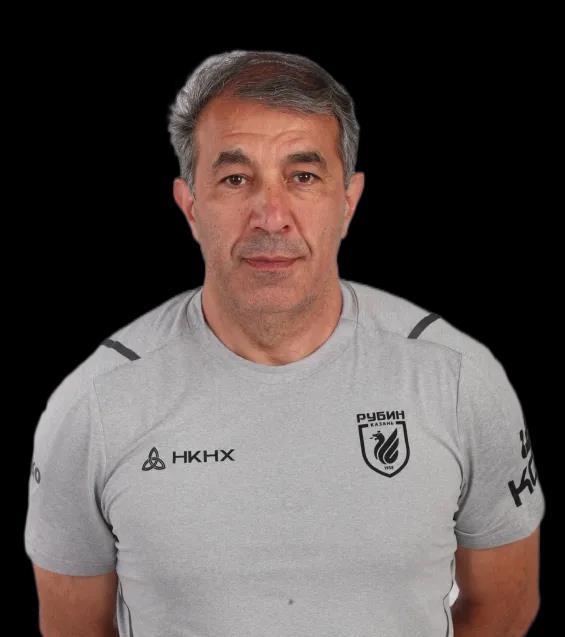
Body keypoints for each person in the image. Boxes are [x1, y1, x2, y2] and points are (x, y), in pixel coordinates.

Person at [24, 50, 545, 637]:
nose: (271, 217)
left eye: (303, 177)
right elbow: (74, 628)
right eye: (235, 179)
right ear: (190, 206)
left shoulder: (457, 379)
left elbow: (505, 605)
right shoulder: (94, 407)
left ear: (347, 202)